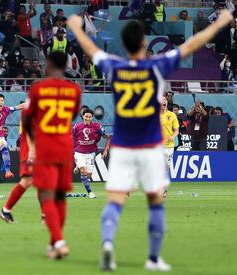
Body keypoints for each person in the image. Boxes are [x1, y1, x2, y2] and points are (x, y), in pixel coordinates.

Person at [68, 9, 233, 271]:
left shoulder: (115, 66)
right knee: (156, 202)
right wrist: (220, 23)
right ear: (144, 44)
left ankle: (108, 244)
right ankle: (154, 258)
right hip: (150, 147)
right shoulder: (156, 66)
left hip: (122, 147)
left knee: (116, 200)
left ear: (124, 45)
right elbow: (193, 44)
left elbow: (90, 48)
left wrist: (77, 28)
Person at [22, 51, 81, 259]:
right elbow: (73, 115)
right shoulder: (74, 90)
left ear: (47, 64)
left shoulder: (38, 89)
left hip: (46, 147)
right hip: (65, 147)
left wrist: (34, 143)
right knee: (60, 196)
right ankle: (53, 245)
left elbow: (27, 120)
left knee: (47, 195)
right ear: (66, 65)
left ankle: (60, 242)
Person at [73, 108, 110, 198]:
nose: (88, 118)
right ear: (83, 116)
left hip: (91, 153)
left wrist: (105, 150)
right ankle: (90, 192)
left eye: (90, 117)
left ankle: (78, 165)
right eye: (86, 116)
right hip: (79, 152)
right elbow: (72, 138)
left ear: (92, 117)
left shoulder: (97, 127)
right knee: (83, 171)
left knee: (88, 175)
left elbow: (107, 137)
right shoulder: (77, 127)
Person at [160, 97, 179, 197]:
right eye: (162, 100)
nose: (164, 101)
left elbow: (176, 130)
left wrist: (172, 137)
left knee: (166, 168)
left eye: (165, 100)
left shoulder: (171, 115)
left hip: (169, 146)